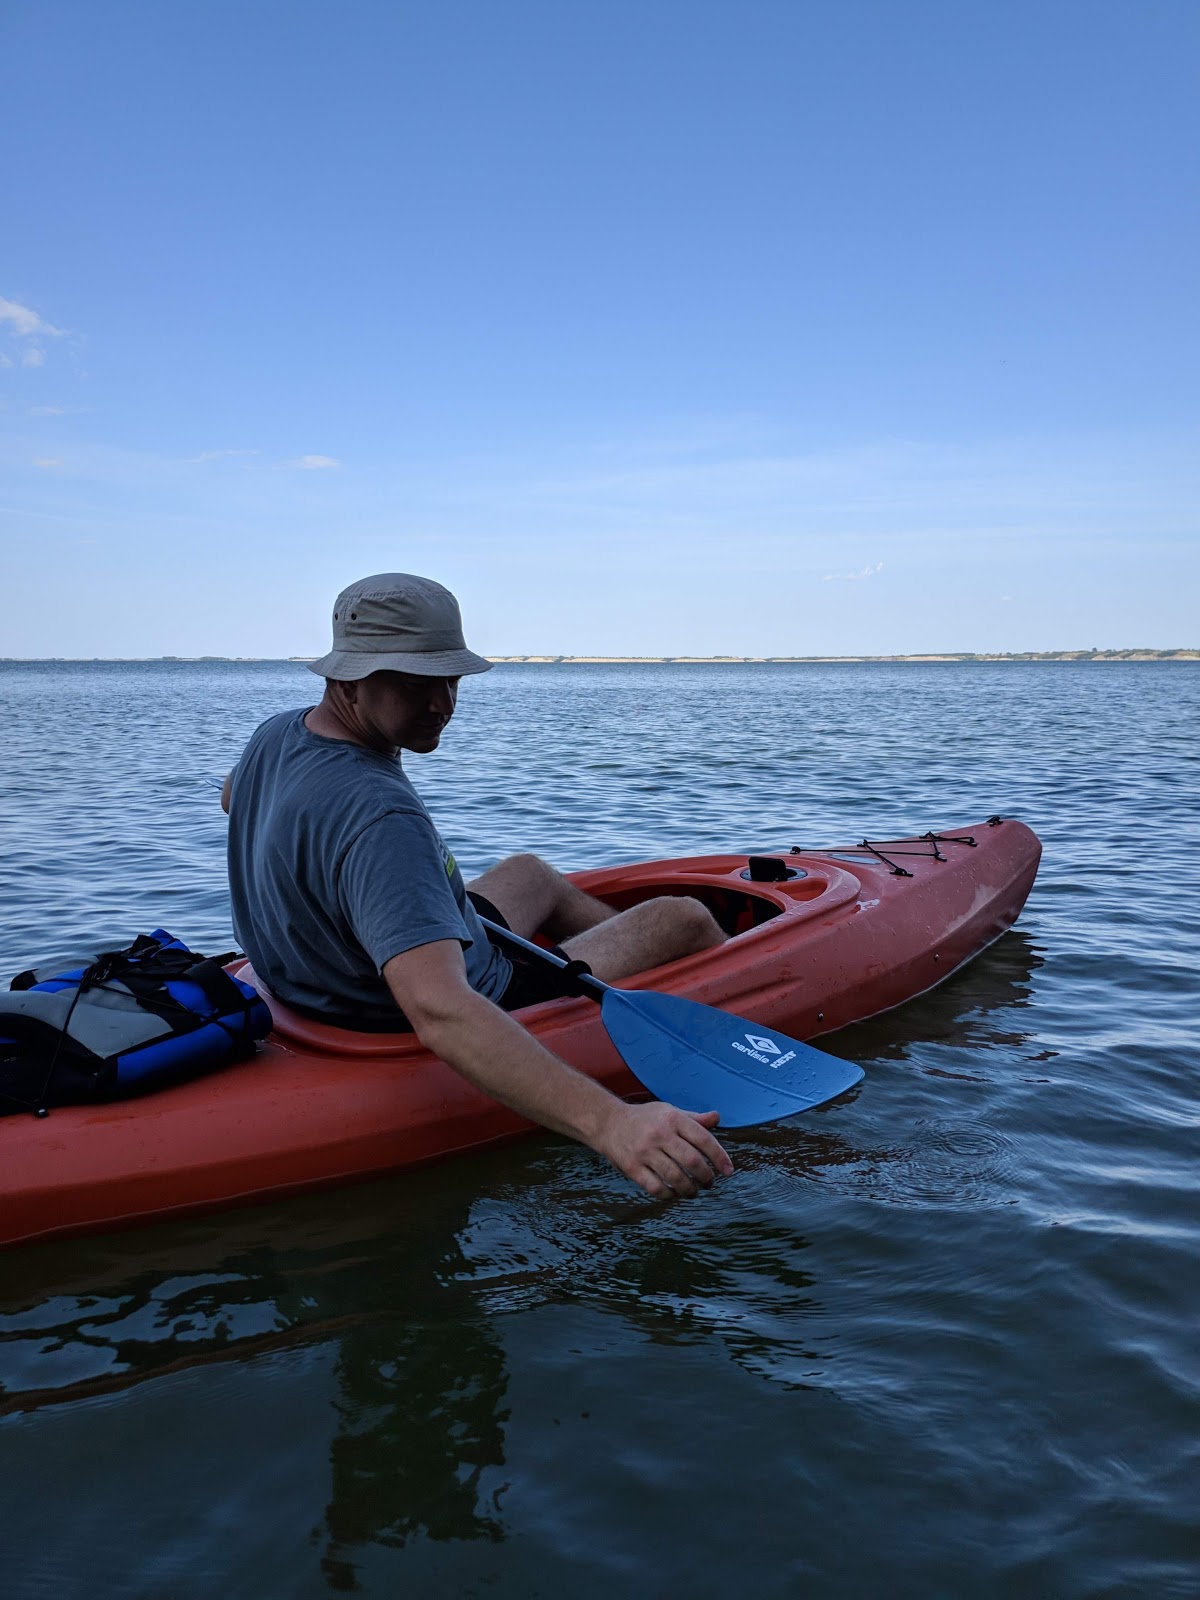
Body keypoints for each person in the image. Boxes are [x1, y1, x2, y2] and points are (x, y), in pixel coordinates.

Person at [223, 572, 734, 1200]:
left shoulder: (278, 735)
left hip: (317, 978)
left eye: (451, 679)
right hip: (447, 998)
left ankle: (600, 974)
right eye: (416, 683)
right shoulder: (381, 819)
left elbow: (232, 798)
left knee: (529, 873)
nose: (443, 703)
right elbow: (441, 1011)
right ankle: (693, 1001)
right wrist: (614, 1125)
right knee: (682, 915)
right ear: (349, 679)